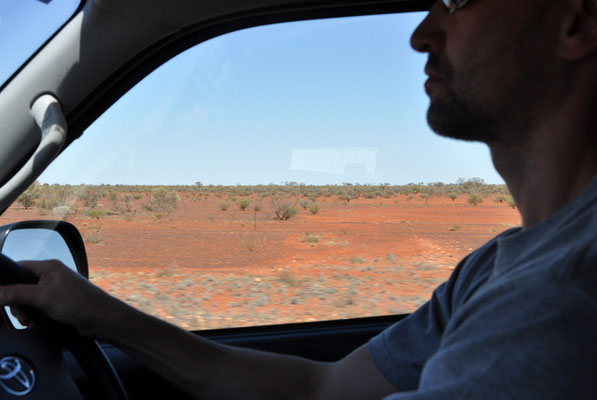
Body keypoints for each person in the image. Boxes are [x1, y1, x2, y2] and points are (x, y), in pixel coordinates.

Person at [2, 0, 597, 398]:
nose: (422, 34)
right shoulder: (496, 267)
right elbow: (323, 389)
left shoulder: (563, 295)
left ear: (575, 23)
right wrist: (101, 313)